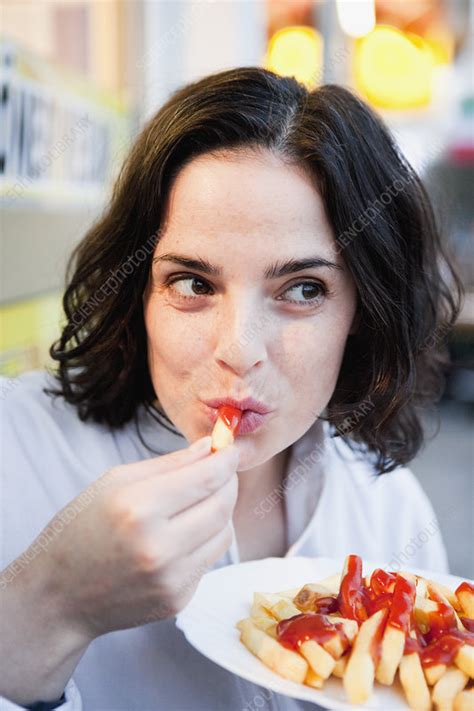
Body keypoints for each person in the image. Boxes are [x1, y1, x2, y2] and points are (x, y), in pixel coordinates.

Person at [0, 66, 463, 710]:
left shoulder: (391, 510)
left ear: (364, 309)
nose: (239, 350)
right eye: (193, 283)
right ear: (139, 291)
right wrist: (52, 601)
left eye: (303, 290)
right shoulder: (13, 450)